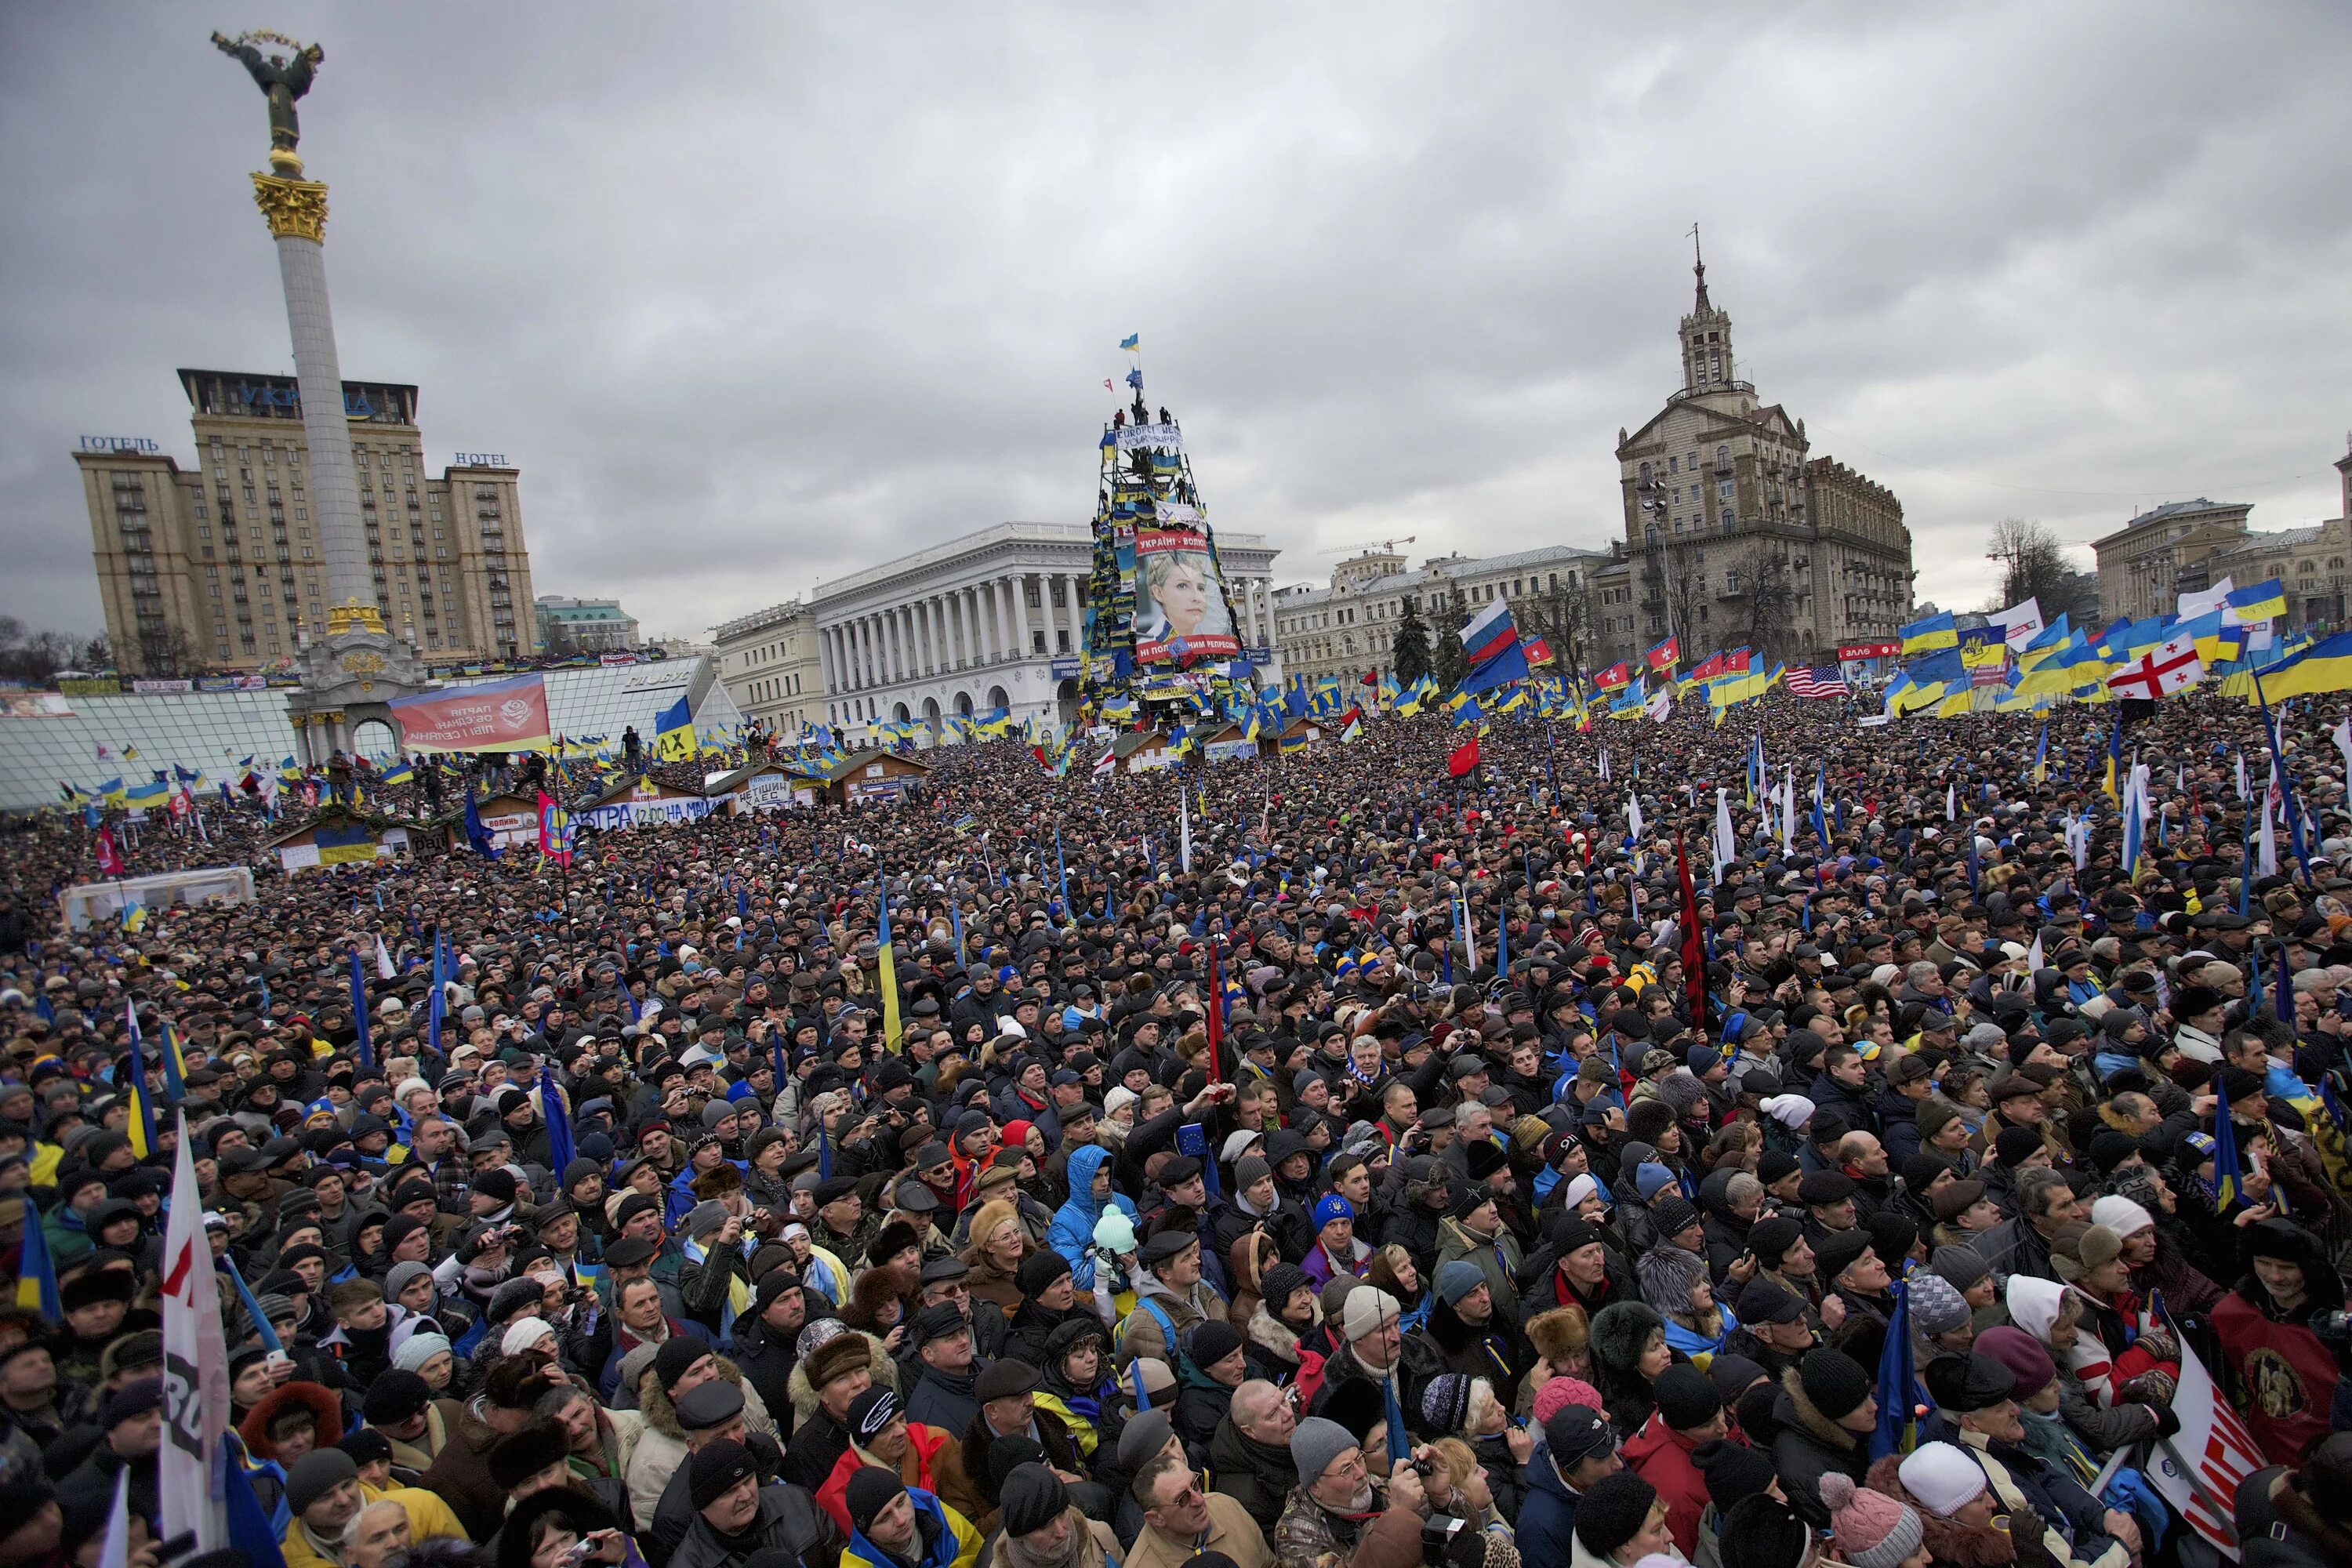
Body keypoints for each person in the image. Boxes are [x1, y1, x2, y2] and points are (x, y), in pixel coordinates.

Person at [1271, 1418, 1430, 1568]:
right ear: (1315, 1487)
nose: (1361, 1473)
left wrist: (1441, 1497)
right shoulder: (1294, 1535)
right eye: (1346, 1470)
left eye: (1359, 1458)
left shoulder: (1373, 1483)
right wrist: (1397, 1515)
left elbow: (1431, 1527)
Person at [836, 1468, 982, 1568]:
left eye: (901, 1502)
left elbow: (980, 1555)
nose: (901, 1520)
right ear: (867, 1533)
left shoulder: (939, 1514)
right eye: (884, 1518)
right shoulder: (856, 1564)